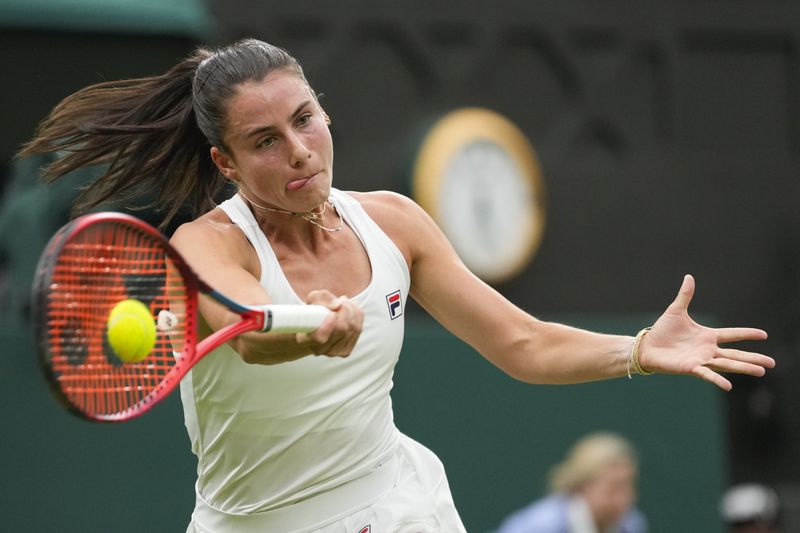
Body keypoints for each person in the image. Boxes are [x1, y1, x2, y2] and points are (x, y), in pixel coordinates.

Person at [17, 38, 775, 533]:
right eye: (264, 141)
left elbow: (523, 342)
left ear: (325, 112)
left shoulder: (396, 222)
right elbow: (242, 329)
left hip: (400, 504)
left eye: (305, 120)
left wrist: (641, 348)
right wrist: (303, 327)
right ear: (226, 166)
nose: (299, 152)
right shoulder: (204, 244)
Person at [496, 432, 647, 533]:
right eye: (614, 488)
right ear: (583, 486)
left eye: (629, 485)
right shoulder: (541, 525)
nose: (624, 498)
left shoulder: (631, 524)